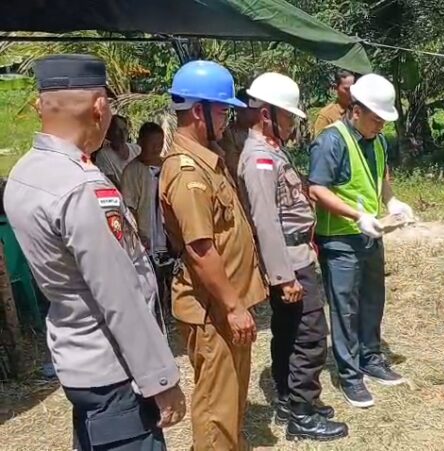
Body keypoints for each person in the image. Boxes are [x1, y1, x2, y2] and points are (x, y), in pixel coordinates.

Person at [4, 54, 185, 450]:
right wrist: (161, 379)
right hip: (115, 368)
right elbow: (119, 294)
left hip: (77, 355)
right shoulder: (82, 186)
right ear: (100, 107)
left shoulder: (25, 172)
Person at [159, 60, 268, 450]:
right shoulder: (187, 172)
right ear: (197, 111)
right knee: (216, 410)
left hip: (228, 304)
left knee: (232, 401)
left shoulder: (211, 158)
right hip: (213, 310)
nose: (227, 118)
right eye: (222, 110)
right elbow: (200, 247)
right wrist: (233, 306)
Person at [238, 72, 348, 441]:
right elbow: (266, 222)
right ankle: (303, 413)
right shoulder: (260, 159)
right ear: (267, 114)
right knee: (310, 334)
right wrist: (283, 277)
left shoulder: (272, 150)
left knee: (289, 330)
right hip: (290, 259)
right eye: (287, 116)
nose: (292, 123)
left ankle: (288, 397)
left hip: (297, 251)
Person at [308, 73, 414, 408]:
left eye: (384, 121)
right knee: (345, 308)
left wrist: (392, 202)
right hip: (340, 239)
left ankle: (371, 358)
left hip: (371, 235)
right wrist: (356, 216)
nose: (380, 126)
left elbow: (381, 178)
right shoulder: (331, 140)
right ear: (356, 111)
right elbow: (317, 188)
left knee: (372, 301)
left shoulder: (378, 141)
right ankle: (349, 374)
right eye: (375, 119)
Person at [121, 122, 173, 323]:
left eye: (160, 143)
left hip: (167, 233)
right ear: (141, 142)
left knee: (172, 276)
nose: (156, 147)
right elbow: (129, 206)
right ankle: (157, 321)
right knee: (154, 282)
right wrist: (137, 234)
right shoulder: (132, 171)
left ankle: (173, 314)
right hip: (147, 234)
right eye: (152, 143)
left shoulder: (167, 166)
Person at [219, 88, 259, 179]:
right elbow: (234, 167)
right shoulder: (228, 134)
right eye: (252, 108)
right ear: (239, 109)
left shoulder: (261, 133)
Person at [95, 114, 141, 187]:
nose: (122, 134)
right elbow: (113, 184)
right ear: (109, 133)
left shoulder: (137, 150)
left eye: (124, 130)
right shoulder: (103, 156)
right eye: (118, 130)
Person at [313, 70, 356, 136]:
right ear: (336, 88)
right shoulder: (326, 116)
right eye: (347, 89)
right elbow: (321, 144)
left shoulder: (359, 110)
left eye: (353, 88)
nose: (351, 92)